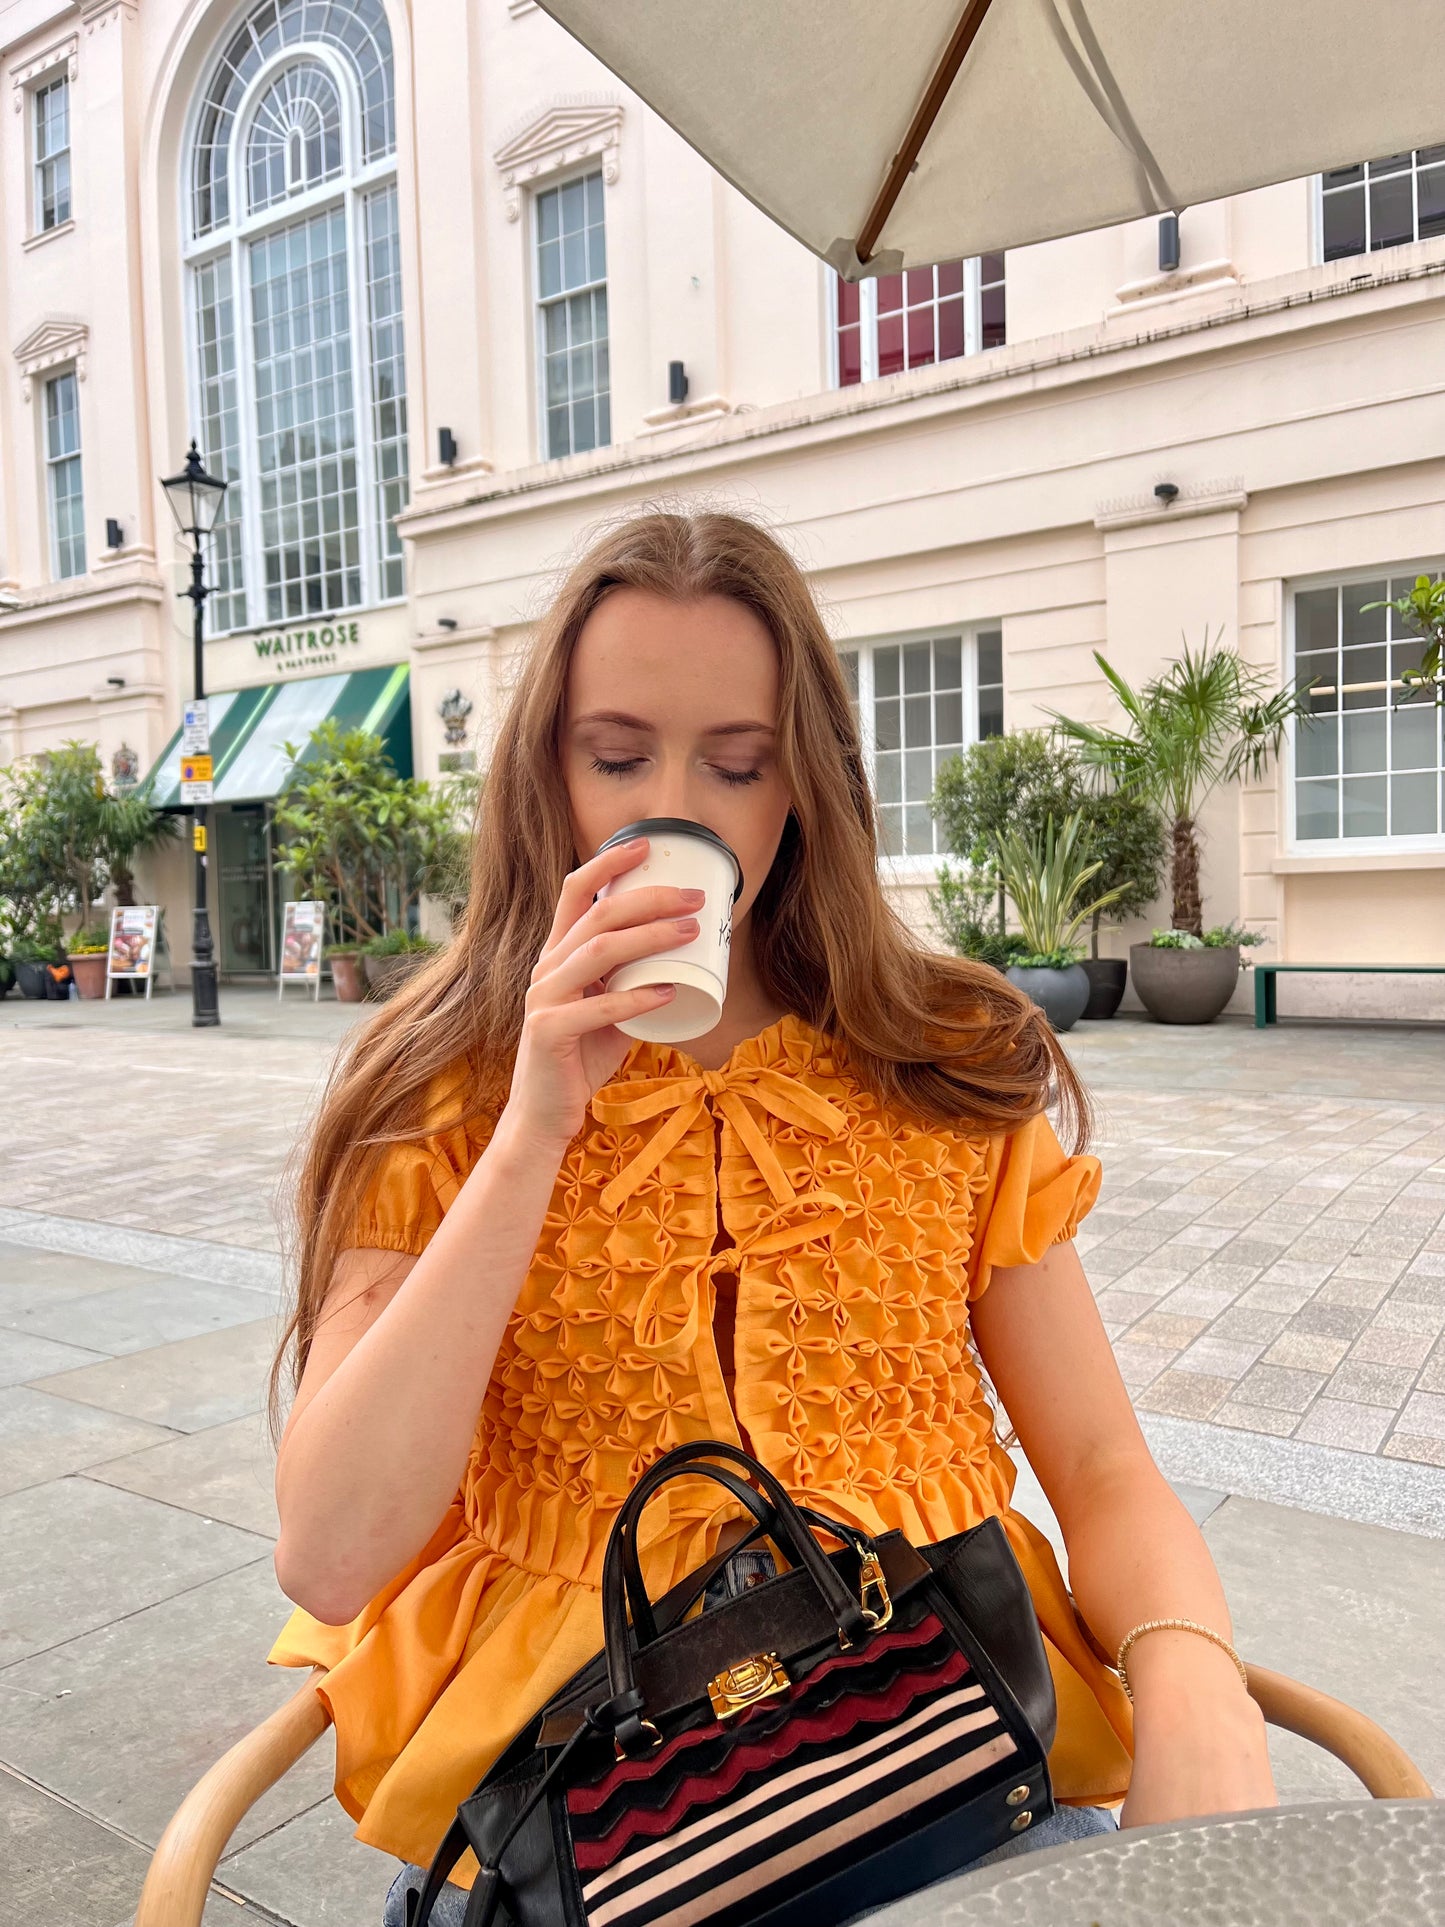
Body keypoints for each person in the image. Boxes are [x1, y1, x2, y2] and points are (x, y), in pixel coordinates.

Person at [267, 510, 1277, 1925]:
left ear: (802, 783)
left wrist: (1188, 1678)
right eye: (613, 756)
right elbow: (329, 1548)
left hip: (933, 1772)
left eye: (734, 764)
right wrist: (534, 1123)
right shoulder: (436, 1083)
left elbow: (1100, 1462)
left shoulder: (943, 1054)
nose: (665, 806)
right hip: (574, 1812)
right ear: (542, 771)